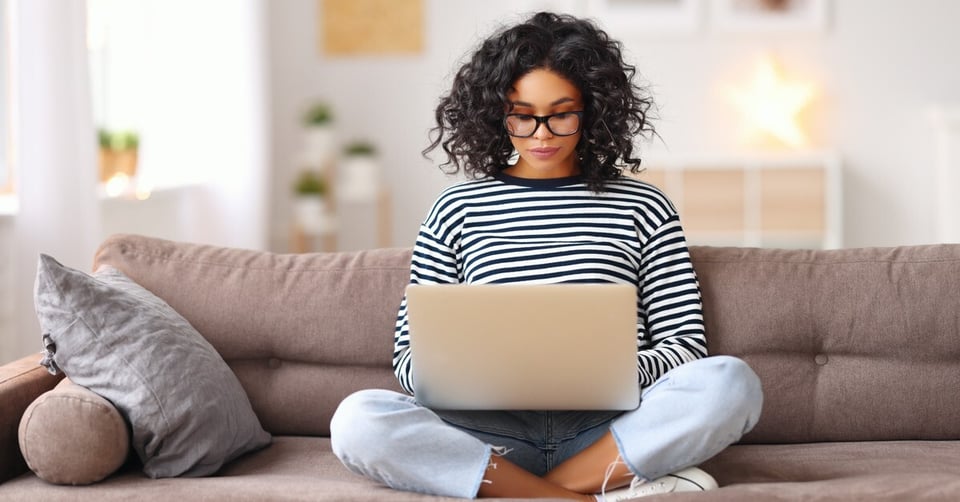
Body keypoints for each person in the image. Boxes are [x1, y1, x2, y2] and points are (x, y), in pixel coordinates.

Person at [330, 12, 763, 501]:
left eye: (561, 114)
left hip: (613, 427)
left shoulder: (643, 206)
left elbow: (685, 346)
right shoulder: (456, 209)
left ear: (592, 111)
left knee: (730, 383)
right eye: (522, 114)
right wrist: (481, 378)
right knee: (359, 420)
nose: (541, 133)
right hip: (489, 433)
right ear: (495, 114)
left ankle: (535, 491)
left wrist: (601, 376)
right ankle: (599, 491)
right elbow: (410, 359)